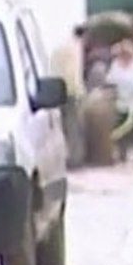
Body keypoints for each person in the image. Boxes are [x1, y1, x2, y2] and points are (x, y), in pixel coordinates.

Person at [50, 24, 86, 168]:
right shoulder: (74, 49)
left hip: (58, 90)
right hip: (70, 92)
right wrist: (79, 91)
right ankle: (75, 158)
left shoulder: (61, 47)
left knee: (63, 126)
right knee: (74, 126)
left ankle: (65, 156)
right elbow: (72, 73)